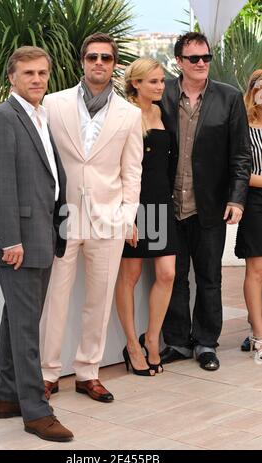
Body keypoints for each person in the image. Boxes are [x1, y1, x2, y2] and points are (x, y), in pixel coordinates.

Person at [40, 33, 143, 401]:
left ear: (115, 65)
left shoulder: (130, 115)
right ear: (83, 61)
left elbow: (133, 172)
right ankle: (48, 373)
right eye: (92, 57)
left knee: (98, 300)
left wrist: (126, 215)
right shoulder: (53, 104)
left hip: (108, 220)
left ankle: (88, 372)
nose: (99, 63)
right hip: (62, 217)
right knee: (56, 298)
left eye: (106, 58)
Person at [0, 46, 73, 442]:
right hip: (20, 242)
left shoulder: (38, 116)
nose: (37, 79)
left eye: (42, 73)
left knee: (17, 321)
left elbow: (49, 177)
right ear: (11, 78)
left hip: (42, 235)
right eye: (28, 73)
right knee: (25, 328)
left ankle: (6, 397)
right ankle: (36, 411)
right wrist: (11, 240)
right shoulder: (3, 117)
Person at [160, 32, 252, 371]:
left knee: (210, 278)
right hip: (167, 206)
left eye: (206, 58)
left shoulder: (229, 98)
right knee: (174, 277)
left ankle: (205, 343)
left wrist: (237, 200)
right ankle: (177, 342)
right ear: (179, 62)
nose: (201, 64)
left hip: (210, 204)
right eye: (194, 58)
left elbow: (241, 155)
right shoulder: (163, 93)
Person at [115, 58, 177, 376]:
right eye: (153, 81)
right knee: (131, 276)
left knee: (166, 274)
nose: (160, 86)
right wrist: (128, 217)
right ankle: (131, 344)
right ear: (136, 83)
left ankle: (152, 338)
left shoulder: (162, 111)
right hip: (134, 207)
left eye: (162, 81)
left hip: (162, 205)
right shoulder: (125, 115)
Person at [235, 70, 262, 363]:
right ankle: (258, 336)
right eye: (259, 84)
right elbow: (239, 169)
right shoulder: (243, 125)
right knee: (256, 269)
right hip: (255, 203)